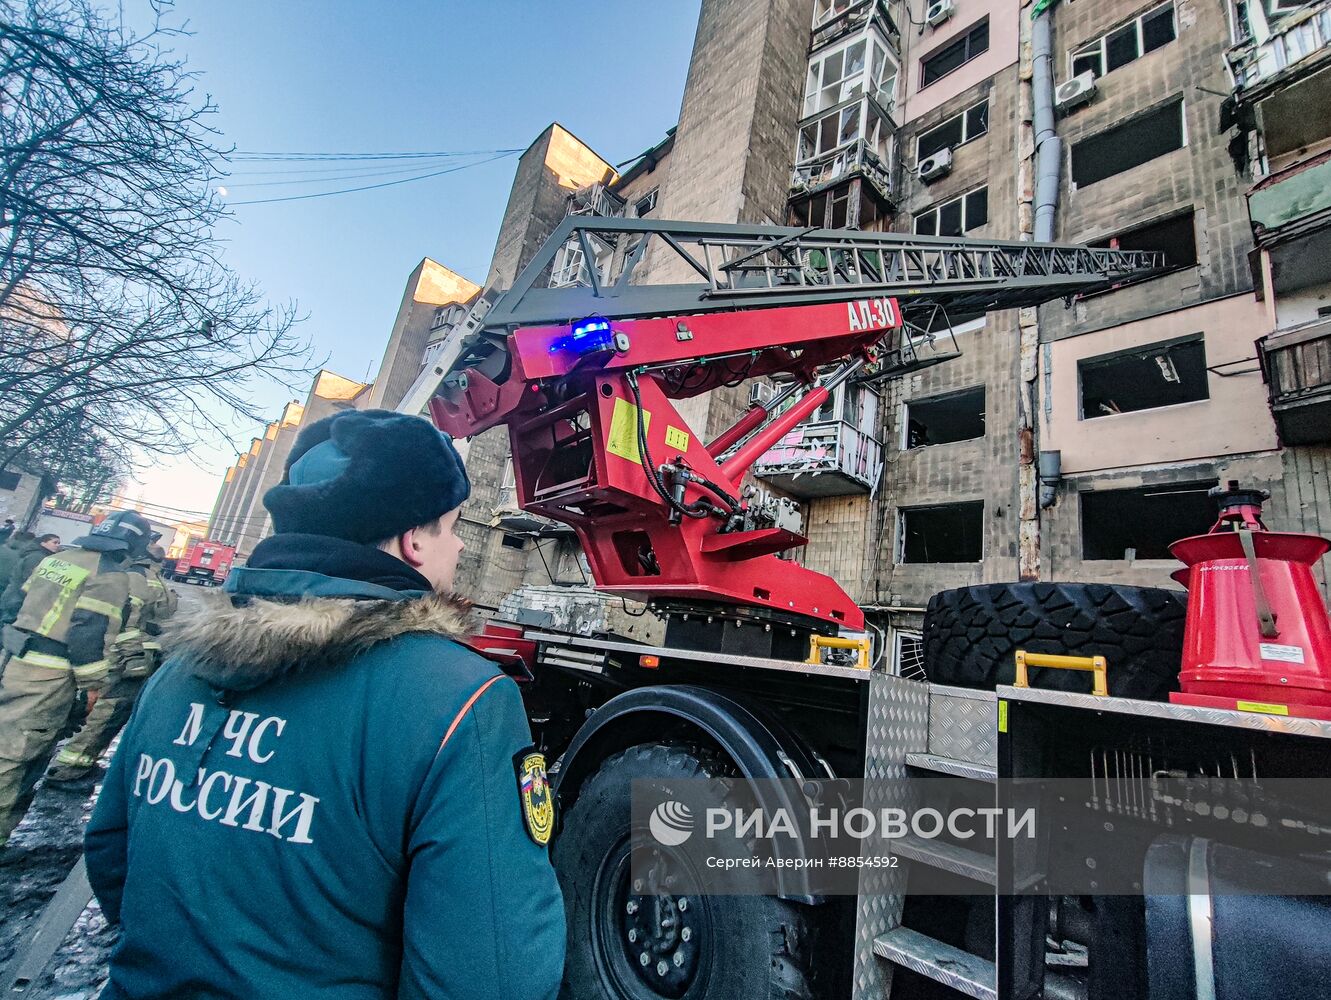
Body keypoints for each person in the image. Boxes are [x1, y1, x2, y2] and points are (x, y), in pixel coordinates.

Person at [86, 409, 565, 1000]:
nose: (463, 544)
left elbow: (111, 857)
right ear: (414, 538)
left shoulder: (181, 668)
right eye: (452, 526)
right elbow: (490, 974)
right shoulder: (460, 698)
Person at [0, 513, 142, 843]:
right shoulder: (110, 575)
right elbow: (88, 633)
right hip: (48, 676)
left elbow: (13, 603)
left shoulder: (59, 559)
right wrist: (92, 687)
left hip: (12, 659)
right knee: (14, 759)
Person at [47, 543, 175, 783]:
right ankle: (68, 770)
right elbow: (127, 619)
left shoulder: (148, 575)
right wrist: (133, 656)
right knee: (108, 712)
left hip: (137, 654)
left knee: (107, 710)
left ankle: (74, 763)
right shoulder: (137, 577)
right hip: (127, 657)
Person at [0, 533, 61, 624]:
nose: (58, 545)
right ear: (43, 543)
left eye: (59, 543)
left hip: (14, 597)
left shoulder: (40, 556)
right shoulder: (37, 557)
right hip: (17, 599)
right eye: (55, 542)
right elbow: (29, 580)